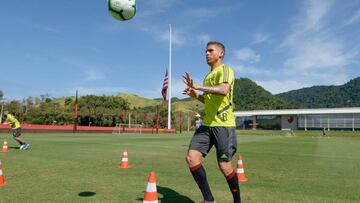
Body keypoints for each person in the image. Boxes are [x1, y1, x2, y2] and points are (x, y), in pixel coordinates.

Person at [183, 41, 241, 203]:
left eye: (210, 50)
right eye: (205, 51)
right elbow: (208, 101)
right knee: (191, 158)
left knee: (224, 167)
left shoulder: (226, 70)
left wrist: (198, 86)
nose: (207, 53)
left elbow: (223, 90)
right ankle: (209, 200)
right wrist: (195, 95)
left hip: (224, 125)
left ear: (221, 54)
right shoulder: (208, 76)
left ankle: (238, 201)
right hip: (207, 125)